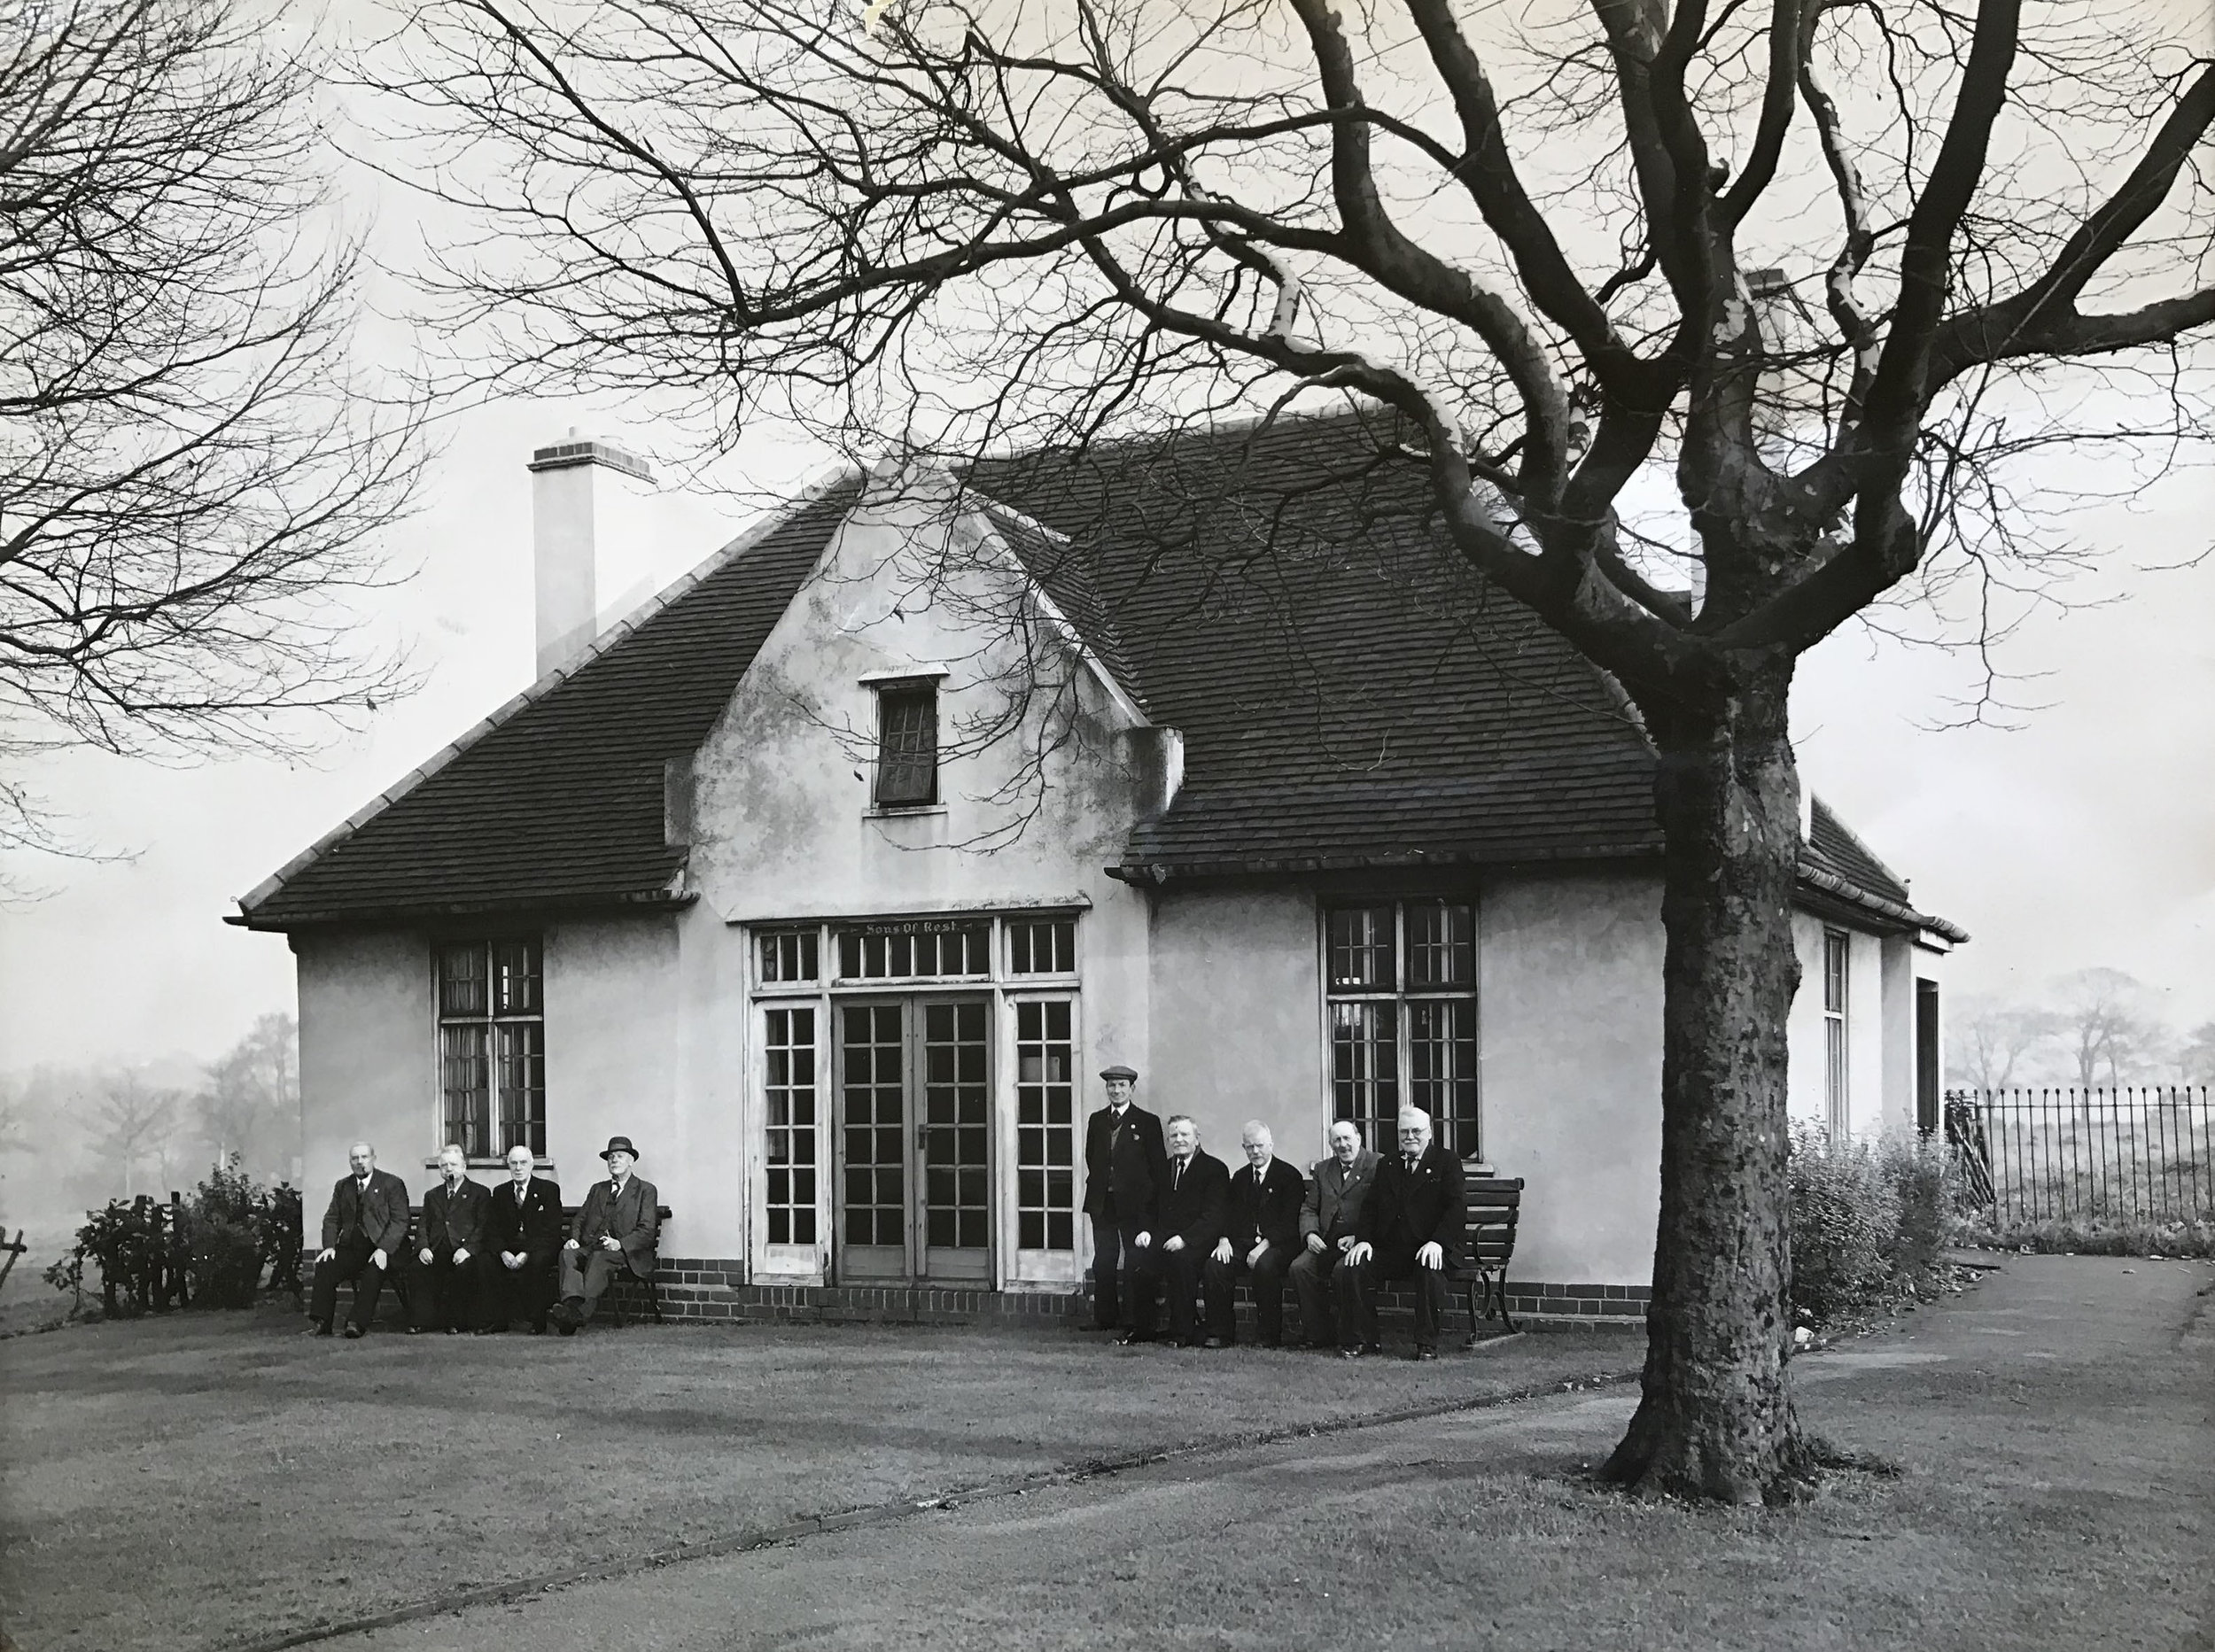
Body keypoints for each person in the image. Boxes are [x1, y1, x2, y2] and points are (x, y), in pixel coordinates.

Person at [1339, 1108, 1465, 1360]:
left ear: (1429, 1133)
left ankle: (1426, 1345)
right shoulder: (1389, 1164)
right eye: (1404, 1132)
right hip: (1394, 1250)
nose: (1410, 1137)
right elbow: (1371, 1206)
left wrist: (1438, 1242)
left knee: (1429, 1268)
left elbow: (1456, 1207)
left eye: (1416, 1131)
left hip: (1430, 1247)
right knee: (1355, 1265)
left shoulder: (1446, 1161)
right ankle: (1365, 1341)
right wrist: (1364, 1240)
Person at [1122, 1115, 1227, 1348]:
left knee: (1181, 1261)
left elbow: (1213, 1216)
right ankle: (1141, 1328)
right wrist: (1145, 1231)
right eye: (1174, 1136)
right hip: (1164, 1237)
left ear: (1197, 1139)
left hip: (1198, 1241)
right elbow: (1148, 1205)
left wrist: (1185, 1239)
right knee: (1137, 1258)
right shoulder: (1162, 1168)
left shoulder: (1214, 1169)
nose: (1179, 1140)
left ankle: (1181, 1332)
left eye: (1185, 1135)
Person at [1081, 1064, 1168, 1333]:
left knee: (1135, 1260)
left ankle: (1134, 1320)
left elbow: (1157, 1166)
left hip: (1136, 1204)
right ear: (1106, 1089)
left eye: (1121, 1086)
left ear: (1132, 1089)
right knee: (1104, 1260)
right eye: (1111, 1085)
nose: (1116, 1090)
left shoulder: (1147, 1122)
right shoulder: (1097, 1120)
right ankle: (1105, 1318)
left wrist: (1150, 1205)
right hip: (1102, 1202)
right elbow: (1091, 1157)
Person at [1203, 1121, 1306, 1348]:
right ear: (1244, 1148)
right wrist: (1224, 1240)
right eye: (1249, 1147)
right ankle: (1219, 1333)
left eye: (1259, 1145)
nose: (1255, 1152)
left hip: (1279, 1244)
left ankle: (1268, 1336)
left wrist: (1264, 1245)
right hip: (1243, 1242)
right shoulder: (1240, 1178)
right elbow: (1227, 1215)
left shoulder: (1289, 1176)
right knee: (1215, 1264)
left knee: (1265, 1265)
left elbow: (1290, 1221)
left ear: (1271, 1144)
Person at [554, 1136, 660, 1333]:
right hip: (591, 1247)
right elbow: (579, 1219)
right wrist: (574, 1240)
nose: (614, 1160)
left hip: (626, 1254)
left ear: (631, 1161)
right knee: (567, 1254)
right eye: (611, 1157)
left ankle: (575, 1314)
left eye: (620, 1156)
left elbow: (647, 1231)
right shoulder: (598, 1189)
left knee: (600, 1258)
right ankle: (572, 1309)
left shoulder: (645, 1190)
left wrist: (620, 1244)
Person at [1289, 1119, 1380, 1349]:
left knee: (1344, 1270)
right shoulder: (1323, 1169)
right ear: (1330, 1144)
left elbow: (1384, 1209)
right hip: (1327, 1241)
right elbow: (1309, 1207)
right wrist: (1310, 1234)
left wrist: (1360, 1238)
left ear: (1358, 1138)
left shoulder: (1377, 1164)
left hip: (1360, 1242)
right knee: (1300, 1268)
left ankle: (1353, 1336)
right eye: (1337, 1140)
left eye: (1347, 1138)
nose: (1343, 1145)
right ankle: (1318, 1334)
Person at [307, 1142, 411, 1338]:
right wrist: (329, 1246)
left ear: (373, 1159)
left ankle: (356, 1323)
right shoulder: (343, 1186)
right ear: (350, 1162)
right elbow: (331, 1218)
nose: (360, 1162)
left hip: (389, 1247)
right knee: (326, 1264)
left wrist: (383, 1249)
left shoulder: (392, 1183)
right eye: (355, 1158)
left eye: (364, 1157)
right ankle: (322, 1322)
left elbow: (400, 1221)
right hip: (355, 1248)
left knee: (374, 1269)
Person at [478, 1143, 563, 1334]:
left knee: (538, 1261)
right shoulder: (500, 1192)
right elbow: (492, 1228)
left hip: (539, 1246)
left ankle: (536, 1321)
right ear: (508, 1166)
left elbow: (552, 1228)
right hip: (509, 1247)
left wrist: (526, 1253)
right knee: (485, 1261)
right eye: (513, 1163)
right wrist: (503, 1252)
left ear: (532, 1165)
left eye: (523, 1163)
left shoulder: (548, 1189)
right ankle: (496, 1320)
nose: (518, 1168)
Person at [414, 1143, 489, 1334]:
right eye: (444, 1165)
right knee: (417, 1268)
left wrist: (468, 1250)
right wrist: (423, 1247)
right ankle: (423, 1320)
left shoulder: (479, 1193)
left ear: (463, 1167)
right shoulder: (432, 1195)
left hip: (463, 1249)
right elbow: (423, 1224)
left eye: (453, 1165)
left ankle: (456, 1321)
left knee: (464, 1269)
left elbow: (482, 1227)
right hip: (438, 1247)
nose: (449, 1169)